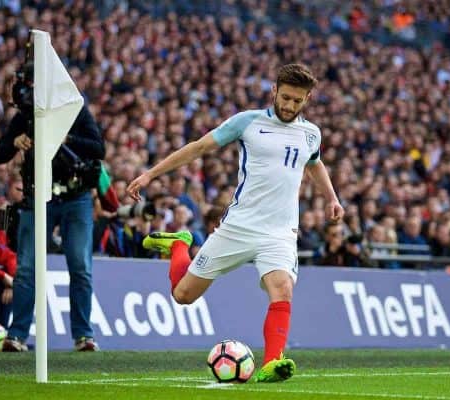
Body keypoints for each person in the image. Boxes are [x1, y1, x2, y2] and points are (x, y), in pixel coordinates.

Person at [127, 64, 344, 382]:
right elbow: (198, 148)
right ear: (274, 90)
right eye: (285, 97)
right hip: (238, 227)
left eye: (297, 101)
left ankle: (273, 363)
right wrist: (150, 174)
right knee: (183, 295)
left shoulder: (311, 133)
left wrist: (332, 197)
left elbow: (314, 163)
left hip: (280, 232)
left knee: (282, 289)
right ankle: (178, 244)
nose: (289, 106)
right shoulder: (248, 122)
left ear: (307, 99)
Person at [0, 71, 105, 351]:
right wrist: (15, 141)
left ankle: (83, 335)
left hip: (75, 196)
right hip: (37, 197)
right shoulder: (26, 117)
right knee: (26, 269)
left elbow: (98, 149)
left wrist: (65, 138)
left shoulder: (75, 110)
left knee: (80, 267)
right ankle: (17, 335)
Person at [0, 191, 17, 327]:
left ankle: (2, 332)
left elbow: (10, 256)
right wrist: (3, 276)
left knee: (16, 285)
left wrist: (9, 280)